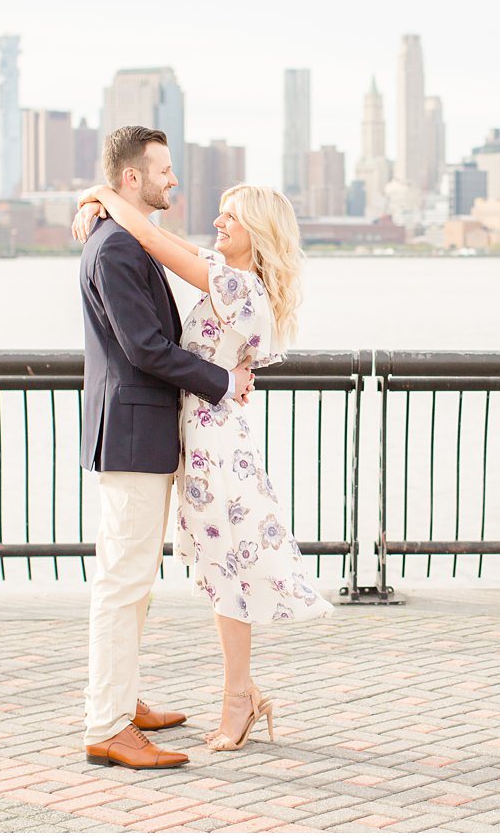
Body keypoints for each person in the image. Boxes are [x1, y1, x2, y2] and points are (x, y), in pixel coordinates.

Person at [74, 177, 334, 753]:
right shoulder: (226, 268)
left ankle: (238, 698)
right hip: (202, 434)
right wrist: (104, 201)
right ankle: (234, 693)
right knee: (219, 567)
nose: (218, 224)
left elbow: (148, 235)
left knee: (226, 568)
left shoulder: (238, 285)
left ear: (258, 233)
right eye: (220, 213)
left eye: (231, 218)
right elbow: (160, 236)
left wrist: (100, 192)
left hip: (215, 444)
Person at [78, 126, 256, 770]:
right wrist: (223, 382)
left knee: (132, 582)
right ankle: (108, 724)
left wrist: (94, 197)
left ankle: (120, 700)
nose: (173, 181)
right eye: (164, 171)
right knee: (123, 583)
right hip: (130, 435)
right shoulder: (117, 251)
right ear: (133, 178)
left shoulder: (124, 238)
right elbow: (145, 350)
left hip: (138, 432)